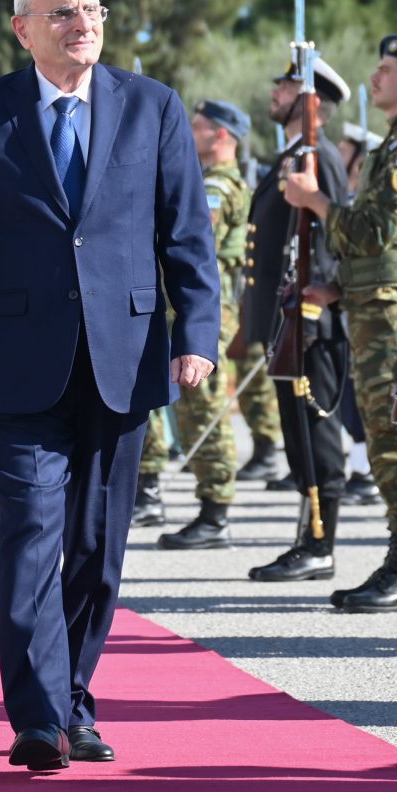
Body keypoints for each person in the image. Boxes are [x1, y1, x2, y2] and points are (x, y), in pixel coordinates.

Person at [0, 0, 219, 773]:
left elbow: (186, 235)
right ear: (23, 29)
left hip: (123, 362)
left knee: (96, 548)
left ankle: (77, 696)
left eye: (91, 10)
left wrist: (199, 335)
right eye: (62, 13)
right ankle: (39, 715)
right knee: (33, 535)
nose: (81, 23)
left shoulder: (152, 107)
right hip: (16, 369)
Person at [287, 35, 397, 613]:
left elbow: (372, 233)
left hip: (390, 304)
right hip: (372, 297)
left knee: (395, 431)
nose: (374, 78)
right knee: (386, 432)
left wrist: (316, 202)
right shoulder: (396, 142)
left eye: (386, 70)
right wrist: (341, 283)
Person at [242, 54, 355, 578]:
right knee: (297, 433)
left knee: (316, 434)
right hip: (286, 321)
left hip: (310, 323)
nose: (275, 92)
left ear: (311, 101)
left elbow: (331, 240)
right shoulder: (289, 155)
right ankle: (307, 539)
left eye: (285, 85)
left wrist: (309, 313)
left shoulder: (319, 157)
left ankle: (320, 543)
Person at [154, 99, 257, 551]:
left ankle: (216, 511)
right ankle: (209, 506)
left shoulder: (216, 186)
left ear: (220, 135)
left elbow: (197, 241)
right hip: (192, 309)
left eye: (198, 128)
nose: (190, 134)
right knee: (191, 410)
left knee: (205, 407)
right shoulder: (213, 181)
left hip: (207, 313)